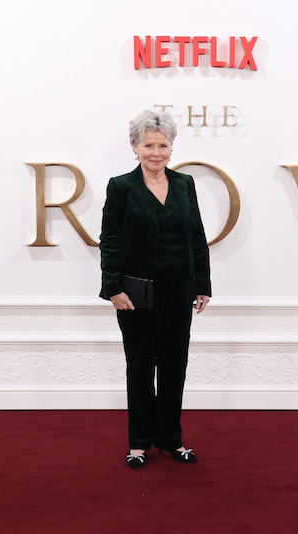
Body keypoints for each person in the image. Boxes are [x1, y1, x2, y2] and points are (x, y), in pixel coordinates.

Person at [99, 110, 212, 469]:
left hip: (179, 293)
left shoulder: (184, 184)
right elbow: (110, 240)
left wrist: (202, 285)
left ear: (171, 148)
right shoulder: (121, 187)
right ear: (135, 147)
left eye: (163, 145)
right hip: (136, 295)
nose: (156, 152)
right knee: (141, 367)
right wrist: (113, 287)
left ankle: (172, 439)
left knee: (175, 366)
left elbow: (196, 236)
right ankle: (139, 443)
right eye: (148, 145)